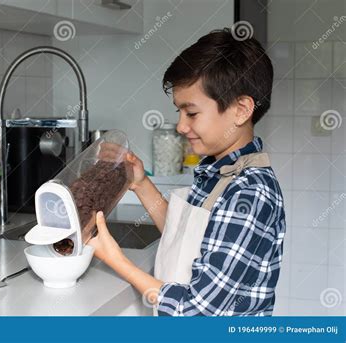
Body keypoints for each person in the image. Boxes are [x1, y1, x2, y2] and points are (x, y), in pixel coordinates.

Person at [88, 28, 286, 316]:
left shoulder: (250, 193)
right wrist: (141, 184)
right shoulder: (218, 171)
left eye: (191, 113)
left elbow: (196, 310)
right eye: (179, 112)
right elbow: (189, 240)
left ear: (241, 110)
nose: (181, 126)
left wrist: (115, 259)